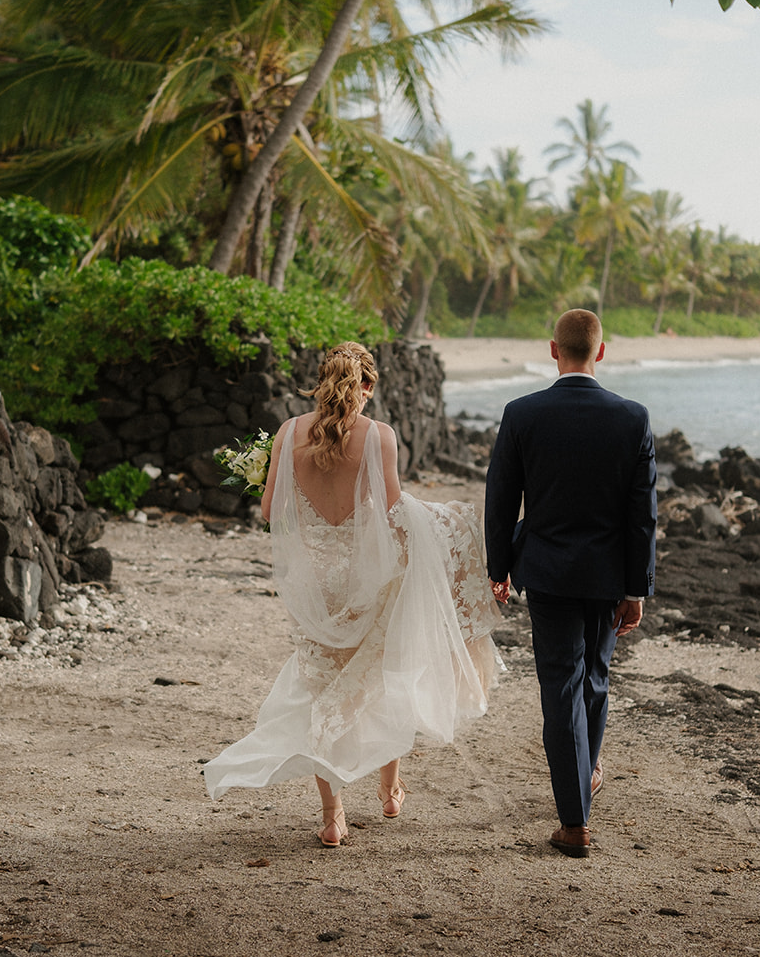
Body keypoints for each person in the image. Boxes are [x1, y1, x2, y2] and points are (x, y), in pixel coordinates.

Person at [203, 342, 501, 847]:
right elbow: (393, 514)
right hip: (367, 578)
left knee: (324, 688)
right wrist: (446, 528)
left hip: (316, 585)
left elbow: (270, 513)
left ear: (321, 381)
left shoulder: (288, 433)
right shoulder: (379, 436)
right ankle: (390, 788)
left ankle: (332, 816)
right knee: (381, 673)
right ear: (367, 386)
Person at [484, 310, 657, 859]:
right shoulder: (632, 418)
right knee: (596, 679)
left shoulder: (522, 413)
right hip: (607, 576)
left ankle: (575, 820)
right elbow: (642, 516)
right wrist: (637, 589)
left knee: (561, 685)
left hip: (548, 571)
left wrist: (498, 567)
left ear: (552, 350)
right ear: (601, 353)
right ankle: (584, 780)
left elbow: (501, 497)